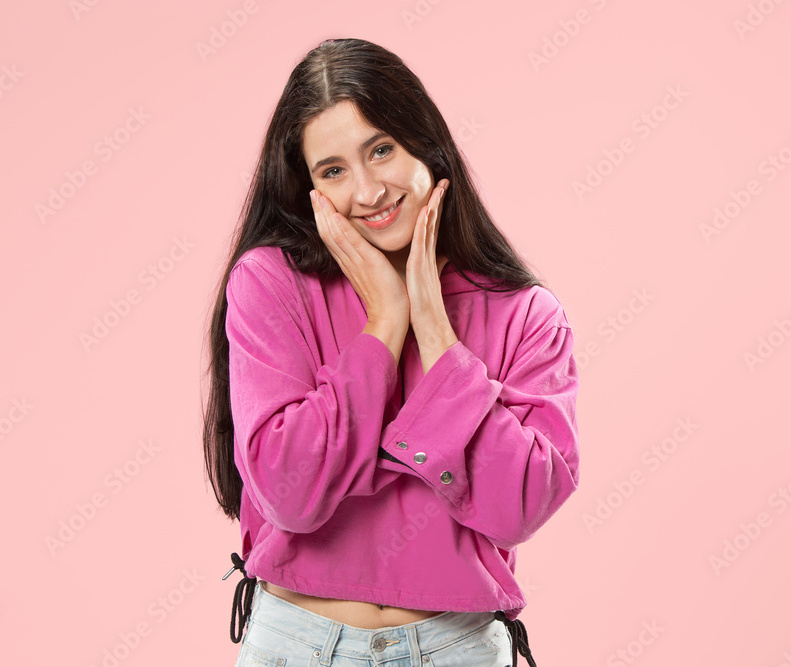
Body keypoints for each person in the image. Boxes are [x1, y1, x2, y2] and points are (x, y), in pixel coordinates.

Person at [203, 38, 580, 667]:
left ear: (425, 146)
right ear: (308, 191)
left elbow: (517, 507)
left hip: (456, 645)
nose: (369, 190)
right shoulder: (270, 283)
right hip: (297, 641)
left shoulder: (525, 313)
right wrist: (385, 321)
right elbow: (288, 493)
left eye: (381, 150)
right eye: (333, 170)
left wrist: (435, 334)